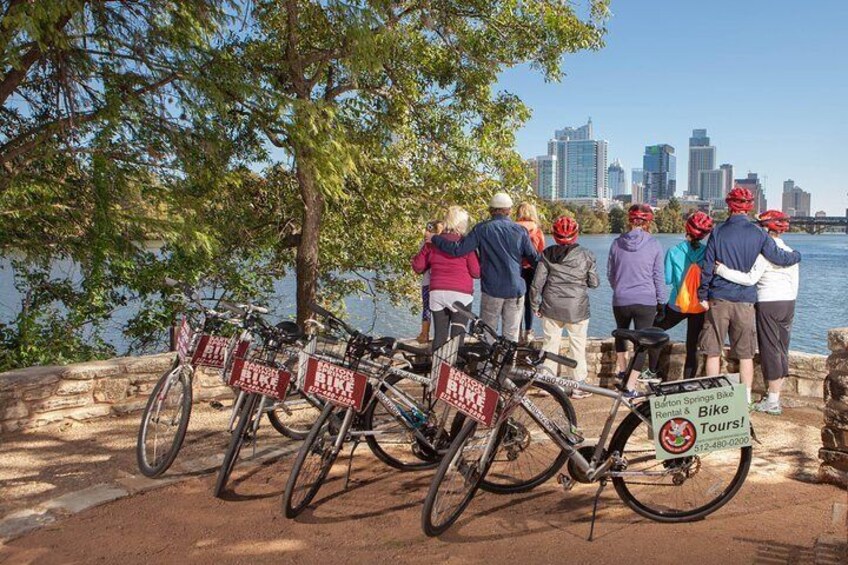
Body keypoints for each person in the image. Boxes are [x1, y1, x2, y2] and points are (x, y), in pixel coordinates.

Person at [698, 187, 801, 405]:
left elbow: (707, 266)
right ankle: (743, 400)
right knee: (745, 354)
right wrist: (797, 256)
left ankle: (713, 398)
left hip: (719, 298)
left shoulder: (718, 232)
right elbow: (778, 257)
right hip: (745, 301)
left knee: (713, 352)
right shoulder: (759, 234)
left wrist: (702, 294)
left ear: (729, 206)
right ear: (749, 207)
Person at [715, 210, 798, 415]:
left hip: (768, 301)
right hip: (788, 302)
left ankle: (772, 401)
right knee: (781, 347)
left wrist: (722, 270)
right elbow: (795, 282)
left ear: (767, 229)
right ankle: (774, 396)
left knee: (769, 349)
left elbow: (750, 279)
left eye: (760, 226)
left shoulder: (764, 254)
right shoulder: (789, 252)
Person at [430, 192, 540, 343]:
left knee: (488, 333)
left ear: (490, 210)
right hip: (515, 289)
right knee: (511, 335)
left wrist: (435, 239)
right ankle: (507, 366)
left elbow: (458, 249)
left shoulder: (481, 229)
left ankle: (488, 366)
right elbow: (534, 259)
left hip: (492, 289)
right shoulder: (520, 231)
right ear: (509, 210)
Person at [529, 216, 599, 399]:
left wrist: (535, 304)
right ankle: (578, 386)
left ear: (554, 235)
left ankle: (546, 384)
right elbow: (594, 283)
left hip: (551, 307)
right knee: (577, 346)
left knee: (550, 345)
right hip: (577, 308)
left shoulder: (547, 253)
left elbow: (537, 284)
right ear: (575, 235)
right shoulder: (586, 254)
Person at [607, 204, 666, 396]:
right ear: (648, 222)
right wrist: (661, 301)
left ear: (629, 221)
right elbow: (658, 276)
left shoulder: (616, 243)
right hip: (645, 300)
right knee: (643, 344)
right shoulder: (654, 244)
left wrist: (620, 288)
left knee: (621, 335)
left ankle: (621, 370)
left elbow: (611, 274)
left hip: (621, 299)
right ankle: (630, 386)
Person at [652, 211, 714, 380]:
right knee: (692, 345)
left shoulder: (674, 251)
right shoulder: (708, 252)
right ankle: (688, 381)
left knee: (654, 330)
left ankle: (652, 370)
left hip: (677, 305)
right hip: (700, 307)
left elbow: (667, 278)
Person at [411, 208, 480, 350]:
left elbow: (418, 267)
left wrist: (426, 247)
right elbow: (476, 272)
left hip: (437, 293)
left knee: (440, 336)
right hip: (461, 295)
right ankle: (454, 370)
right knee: (457, 337)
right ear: (462, 224)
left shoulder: (433, 242)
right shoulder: (465, 244)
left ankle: (436, 369)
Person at [515, 202, 546, 344]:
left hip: (517, 268)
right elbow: (541, 252)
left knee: (517, 301)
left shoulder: (513, 228)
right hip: (532, 269)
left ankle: (517, 332)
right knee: (529, 301)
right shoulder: (537, 230)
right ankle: (528, 331)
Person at [415, 220, 444, 343]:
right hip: (440, 282)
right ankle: (440, 336)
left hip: (428, 281)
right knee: (441, 311)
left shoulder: (425, 244)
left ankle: (424, 334)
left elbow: (419, 263)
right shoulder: (444, 243)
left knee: (426, 308)